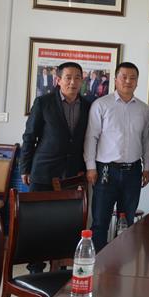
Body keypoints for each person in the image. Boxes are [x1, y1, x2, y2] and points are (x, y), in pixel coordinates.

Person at [21, 62, 91, 272]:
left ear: (82, 81)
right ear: (58, 80)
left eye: (77, 77)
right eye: (68, 77)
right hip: (43, 170)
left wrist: (84, 167)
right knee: (37, 221)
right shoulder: (44, 102)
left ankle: (59, 266)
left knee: (65, 222)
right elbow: (29, 136)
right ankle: (35, 268)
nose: (73, 82)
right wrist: (25, 168)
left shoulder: (88, 105)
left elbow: (87, 140)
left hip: (71, 174)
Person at [84, 62, 149, 252]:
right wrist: (90, 167)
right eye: (124, 77)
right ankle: (98, 262)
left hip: (133, 171)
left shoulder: (143, 109)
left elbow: (146, 140)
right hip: (106, 171)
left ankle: (121, 263)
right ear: (115, 79)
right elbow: (91, 137)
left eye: (133, 78)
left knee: (127, 221)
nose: (128, 81)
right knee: (100, 221)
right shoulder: (101, 105)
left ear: (137, 82)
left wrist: (147, 167)